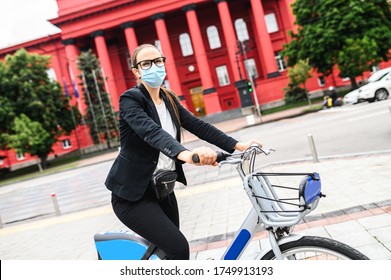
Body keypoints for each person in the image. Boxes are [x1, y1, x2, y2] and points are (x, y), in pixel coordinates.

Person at [105, 44, 261, 260]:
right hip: (132, 196)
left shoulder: (168, 98)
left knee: (167, 253)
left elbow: (198, 126)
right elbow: (152, 133)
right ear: (136, 71)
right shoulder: (131, 100)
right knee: (178, 248)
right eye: (146, 64)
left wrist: (237, 146)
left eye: (158, 61)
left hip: (162, 190)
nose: (154, 67)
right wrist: (186, 154)